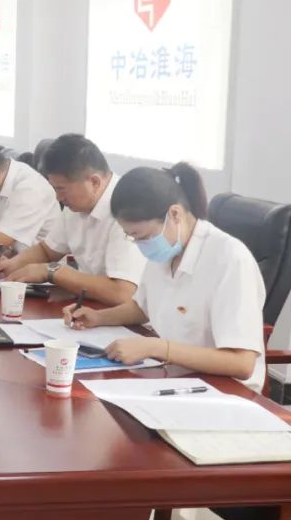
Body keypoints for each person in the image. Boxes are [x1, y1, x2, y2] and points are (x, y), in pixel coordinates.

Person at [67, 163, 266, 391]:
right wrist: (98, 317)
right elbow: (143, 308)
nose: (140, 244)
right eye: (132, 237)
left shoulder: (229, 259)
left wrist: (157, 348)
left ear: (175, 214)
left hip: (224, 390)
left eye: (143, 236)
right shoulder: (168, 247)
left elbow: (242, 363)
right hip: (174, 374)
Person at [0, 135, 145, 305]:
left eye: (61, 189)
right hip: (90, 305)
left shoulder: (127, 209)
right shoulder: (76, 204)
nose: (58, 197)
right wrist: (10, 265)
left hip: (129, 316)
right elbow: (47, 251)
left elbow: (122, 293)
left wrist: (52, 272)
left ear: (94, 182)